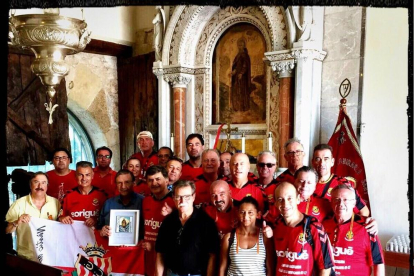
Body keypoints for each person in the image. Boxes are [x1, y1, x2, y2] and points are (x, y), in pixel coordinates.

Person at [155, 180, 220, 276]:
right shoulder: (168, 222)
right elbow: (160, 253)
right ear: (173, 197)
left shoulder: (206, 222)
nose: (182, 201)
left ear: (193, 196)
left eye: (187, 197)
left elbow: (212, 256)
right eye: (178, 197)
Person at [272, 182, 335, 276]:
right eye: (280, 199)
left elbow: (325, 267)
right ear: (276, 203)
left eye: (290, 198)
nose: (285, 204)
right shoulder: (276, 226)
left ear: (298, 199)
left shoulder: (313, 226)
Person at [322, 185, 385, 276]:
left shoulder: (367, 227)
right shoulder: (324, 226)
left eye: (345, 200)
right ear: (331, 202)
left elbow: (378, 261)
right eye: (336, 199)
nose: (341, 204)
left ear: (354, 203)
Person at [6, 172, 60, 260]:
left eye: (43, 182)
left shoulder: (55, 203)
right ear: (30, 185)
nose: (40, 186)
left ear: (47, 185)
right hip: (27, 256)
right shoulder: (19, 204)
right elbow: (6, 230)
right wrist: (17, 222)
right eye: (36, 182)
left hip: (51, 254)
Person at [219, 196, 275, 276]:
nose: (246, 217)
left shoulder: (265, 237)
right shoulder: (229, 238)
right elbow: (222, 268)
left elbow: (270, 269)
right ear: (238, 213)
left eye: (250, 213)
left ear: (258, 214)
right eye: (242, 212)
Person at [312, 143, 370, 216]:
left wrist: (350, 227)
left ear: (332, 162)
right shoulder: (306, 184)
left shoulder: (343, 184)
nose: (322, 163)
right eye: (318, 159)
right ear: (313, 162)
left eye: (326, 159)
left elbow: (364, 212)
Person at [142, 165, 175, 276]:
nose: (154, 183)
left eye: (157, 179)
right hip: (148, 258)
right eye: (150, 180)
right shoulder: (145, 201)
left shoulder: (175, 201)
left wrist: (173, 213)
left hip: (168, 259)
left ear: (166, 181)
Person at [59, 161, 107, 227]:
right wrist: (62, 218)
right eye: (80, 175)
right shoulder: (68, 196)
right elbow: (59, 217)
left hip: (96, 235)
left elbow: (108, 219)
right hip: (73, 236)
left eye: (87, 175)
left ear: (92, 176)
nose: (84, 178)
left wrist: (96, 220)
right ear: (75, 176)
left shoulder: (102, 195)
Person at [97, 169, 144, 235]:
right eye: (119, 183)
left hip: (137, 244)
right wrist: (102, 231)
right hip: (112, 244)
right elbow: (99, 227)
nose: (123, 186)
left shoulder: (143, 202)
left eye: (127, 182)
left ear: (133, 184)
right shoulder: (108, 204)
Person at [230, 37, 251, 112]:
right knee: (236, 91)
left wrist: (241, 73)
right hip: (237, 77)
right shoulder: (238, 55)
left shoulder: (245, 55)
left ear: (244, 46)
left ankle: (243, 108)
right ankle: (237, 107)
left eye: (241, 45)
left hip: (242, 78)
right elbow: (237, 65)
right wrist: (234, 71)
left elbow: (245, 65)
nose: (240, 47)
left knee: (242, 92)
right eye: (238, 45)